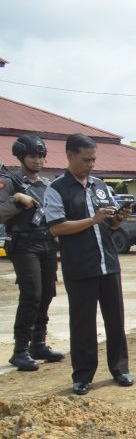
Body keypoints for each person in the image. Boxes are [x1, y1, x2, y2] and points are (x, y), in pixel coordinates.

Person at [43, 133, 134, 395]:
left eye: (94, 160)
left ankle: (120, 369)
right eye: (86, 160)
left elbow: (111, 223)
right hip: (80, 267)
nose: (91, 165)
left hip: (108, 264)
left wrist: (118, 218)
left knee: (115, 319)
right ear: (69, 155)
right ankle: (82, 375)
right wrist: (93, 220)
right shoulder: (57, 189)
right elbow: (57, 227)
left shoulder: (101, 186)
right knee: (83, 322)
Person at [1, 135, 64, 371]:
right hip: (24, 244)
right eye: (32, 156)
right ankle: (20, 350)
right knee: (32, 295)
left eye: (40, 156)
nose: (38, 161)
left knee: (47, 293)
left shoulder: (48, 186)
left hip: (47, 243)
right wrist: (17, 200)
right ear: (21, 157)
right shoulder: (9, 182)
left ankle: (39, 344)